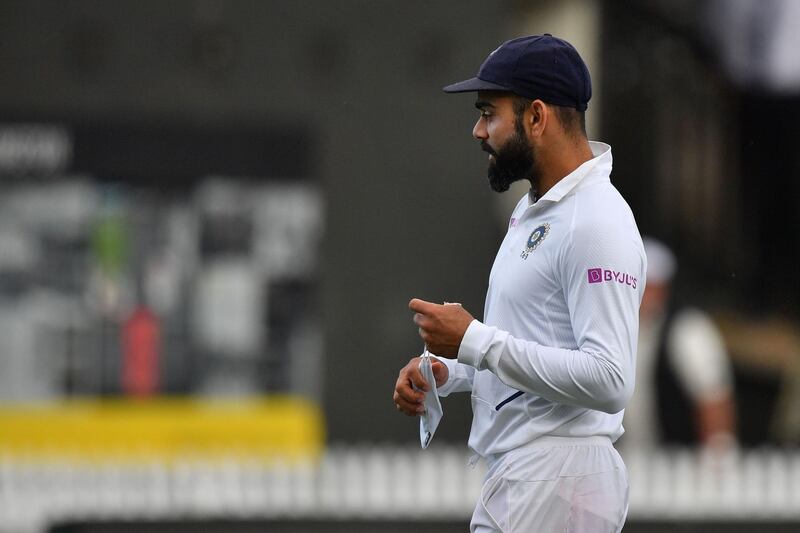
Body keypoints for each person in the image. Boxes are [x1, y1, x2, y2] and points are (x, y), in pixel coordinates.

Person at [392, 34, 646, 533]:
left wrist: (474, 340)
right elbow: (538, 345)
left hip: (558, 479)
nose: (477, 131)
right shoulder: (537, 210)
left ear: (536, 117)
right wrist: (454, 369)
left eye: (489, 113)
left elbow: (610, 379)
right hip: (537, 477)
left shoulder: (596, 220)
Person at [621, 237, 736, 453]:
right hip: (630, 462)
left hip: (679, 466)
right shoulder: (616, 332)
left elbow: (714, 400)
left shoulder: (687, 330)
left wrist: (717, 460)